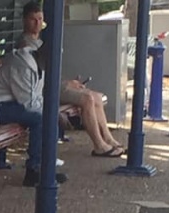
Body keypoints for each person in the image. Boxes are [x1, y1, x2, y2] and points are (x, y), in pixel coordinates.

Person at [19, 1, 123, 157]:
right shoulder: (25, 45)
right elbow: (39, 77)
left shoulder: (39, 41)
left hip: (53, 84)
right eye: (33, 19)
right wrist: (66, 83)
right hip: (42, 89)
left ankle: (108, 139)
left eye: (40, 19)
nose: (37, 23)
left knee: (96, 97)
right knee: (87, 98)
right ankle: (99, 145)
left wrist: (68, 83)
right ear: (24, 20)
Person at [0, 32, 67, 187]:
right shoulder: (22, 65)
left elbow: (37, 98)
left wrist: (53, 113)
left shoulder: (40, 66)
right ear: (45, 54)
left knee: (46, 117)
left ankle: (46, 169)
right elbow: (28, 103)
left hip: (10, 105)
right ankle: (34, 170)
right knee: (40, 120)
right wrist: (53, 114)